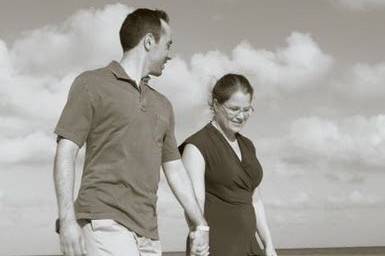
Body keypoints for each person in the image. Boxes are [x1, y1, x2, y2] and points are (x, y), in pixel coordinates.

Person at [53, 8, 209, 256]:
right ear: (148, 41)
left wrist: (200, 224)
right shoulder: (92, 83)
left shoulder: (163, 105)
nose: (170, 55)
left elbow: (175, 169)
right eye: (167, 45)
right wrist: (67, 219)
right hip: (103, 221)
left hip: (149, 233)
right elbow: (66, 150)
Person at [179, 74, 277, 256]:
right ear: (216, 105)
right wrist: (198, 238)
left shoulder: (248, 145)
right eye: (234, 109)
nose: (241, 116)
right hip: (216, 246)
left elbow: (254, 199)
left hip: (250, 246)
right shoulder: (197, 146)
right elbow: (194, 203)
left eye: (246, 110)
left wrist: (268, 244)